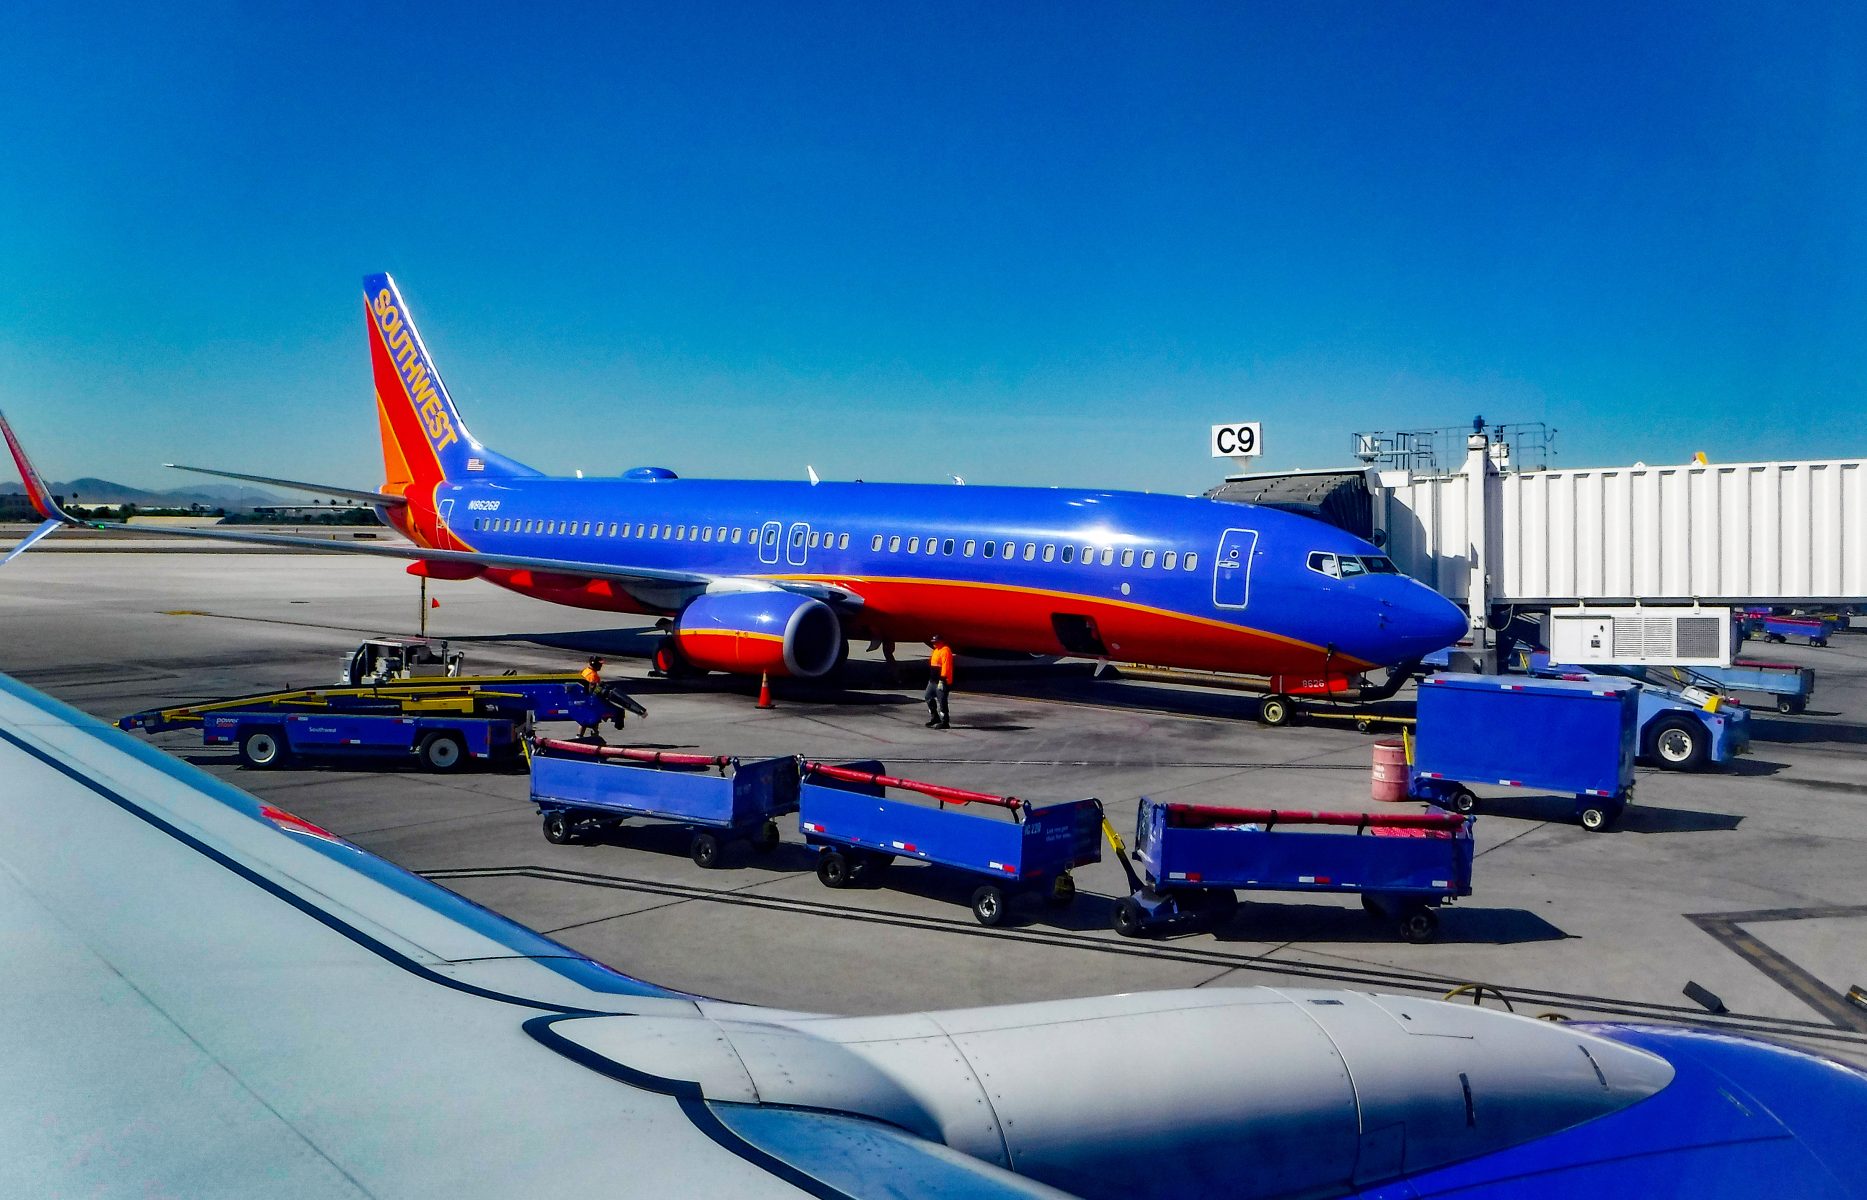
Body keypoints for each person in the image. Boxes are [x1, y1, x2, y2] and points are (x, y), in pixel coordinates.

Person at [924, 635, 954, 729]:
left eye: (936, 642)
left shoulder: (945, 650)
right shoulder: (936, 650)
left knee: (942, 701)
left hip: (941, 681)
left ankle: (945, 722)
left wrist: (942, 679)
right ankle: (935, 717)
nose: (934, 643)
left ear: (941, 641)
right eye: (933, 642)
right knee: (928, 697)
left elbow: (946, 666)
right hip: (933, 681)